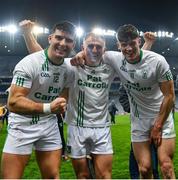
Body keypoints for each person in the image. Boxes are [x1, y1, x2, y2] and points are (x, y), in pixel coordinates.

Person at [19, 20, 161, 179]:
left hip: (102, 128)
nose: (94, 49)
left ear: (104, 50)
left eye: (98, 47)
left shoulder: (111, 64)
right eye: (90, 46)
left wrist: (147, 44)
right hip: (76, 127)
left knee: (105, 176)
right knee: (83, 176)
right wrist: (27, 34)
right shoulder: (72, 65)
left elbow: (135, 61)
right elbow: (43, 59)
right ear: (82, 48)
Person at [1, 21, 76, 179]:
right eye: (59, 38)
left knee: (52, 176)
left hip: (49, 124)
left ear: (73, 44)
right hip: (22, 123)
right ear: (50, 38)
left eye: (68, 40)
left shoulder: (70, 69)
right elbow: (13, 102)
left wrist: (61, 102)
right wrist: (49, 107)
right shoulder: (29, 63)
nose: (63, 43)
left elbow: (64, 93)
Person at [104, 24, 176, 179]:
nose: (128, 48)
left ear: (138, 41)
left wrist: (157, 126)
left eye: (132, 44)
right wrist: (81, 55)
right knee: (144, 169)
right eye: (124, 45)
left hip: (161, 118)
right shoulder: (114, 58)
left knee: (166, 166)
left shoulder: (158, 61)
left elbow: (170, 95)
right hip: (139, 120)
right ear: (118, 45)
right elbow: (92, 53)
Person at [119, 84, 159, 179]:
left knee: (152, 153)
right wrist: (134, 109)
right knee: (137, 153)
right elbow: (123, 95)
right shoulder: (128, 75)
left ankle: (152, 174)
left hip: (155, 120)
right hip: (139, 123)